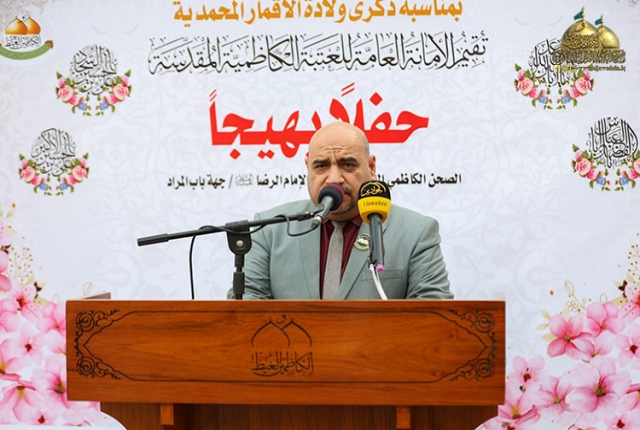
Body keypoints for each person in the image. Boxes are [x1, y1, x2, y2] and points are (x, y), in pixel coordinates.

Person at [228, 121, 452, 300]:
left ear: (371, 167)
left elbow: (433, 314)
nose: (334, 178)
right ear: (308, 168)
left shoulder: (416, 232)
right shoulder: (269, 228)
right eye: (321, 166)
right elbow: (246, 307)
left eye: (347, 165)